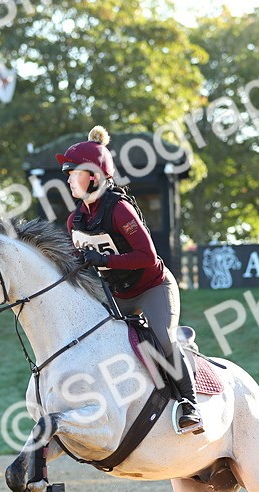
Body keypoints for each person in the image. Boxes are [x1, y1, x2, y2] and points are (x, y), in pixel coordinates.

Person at [56, 125, 204, 435]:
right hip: (116, 293)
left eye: (73, 173)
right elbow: (78, 262)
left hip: (152, 287)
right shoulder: (76, 219)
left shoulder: (119, 209)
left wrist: (104, 260)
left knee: (162, 338)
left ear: (93, 176)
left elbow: (148, 257)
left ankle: (190, 406)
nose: (68, 179)